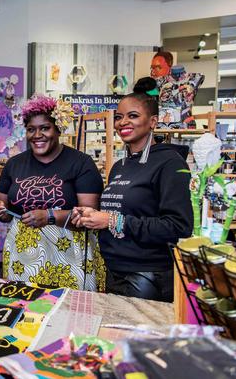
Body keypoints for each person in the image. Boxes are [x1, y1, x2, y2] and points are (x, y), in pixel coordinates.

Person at [74, 78, 192, 302]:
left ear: (153, 121)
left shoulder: (170, 163)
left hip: (147, 276)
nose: (122, 122)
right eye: (119, 117)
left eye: (133, 115)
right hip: (114, 270)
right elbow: (121, 211)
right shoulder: (120, 165)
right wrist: (90, 217)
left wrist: (112, 220)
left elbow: (179, 226)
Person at [0, 95, 104, 290]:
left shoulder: (81, 163)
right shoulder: (14, 165)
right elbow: (3, 209)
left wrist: (50, 216)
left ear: (58, 128)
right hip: (22, 257)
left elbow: (89, 216)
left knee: (70, 311)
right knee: (25, 309)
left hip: (69, 254)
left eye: (45, 128)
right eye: (31, 129)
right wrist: (0, 211)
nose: (37, 135)